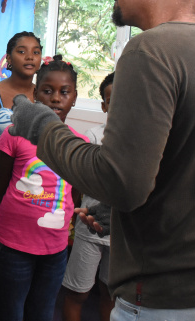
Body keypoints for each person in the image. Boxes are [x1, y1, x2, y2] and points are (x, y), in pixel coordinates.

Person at [9, 0, 195, 319]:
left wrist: (41, 126)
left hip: (166, 291)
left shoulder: (150, 49)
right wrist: (127, 216)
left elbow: (120, 181)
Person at [0, 55, 87, 321]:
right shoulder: (14, 134)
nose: (56, 98)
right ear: (35, 94)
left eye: (64, 92)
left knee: (41, 313)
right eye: (47, 91)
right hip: (11, 243)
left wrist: (69, 230)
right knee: (10, 312)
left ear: (74, 97)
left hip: (55, 248)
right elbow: (0, 186)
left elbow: (74, 195)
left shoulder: (79, 143)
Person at [0, 31, 42, 321]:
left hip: (29, 188)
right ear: (8, 58)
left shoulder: (44, 93)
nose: (29, 56)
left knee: (18, 260)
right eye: (22, 51)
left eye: (35, 51)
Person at [62, 72, 114, 321]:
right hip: (89, 228)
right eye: (110, 100)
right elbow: (78, 183)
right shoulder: (93, 137)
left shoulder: (141, 139)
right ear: (103, 105)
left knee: (110, 293)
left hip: (122, 234)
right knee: (77, 292)